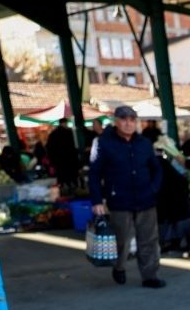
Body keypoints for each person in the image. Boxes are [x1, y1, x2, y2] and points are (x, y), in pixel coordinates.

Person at [88, 105, 165, 288]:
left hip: (146, 199)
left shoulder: (144, 143)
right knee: (121, 239)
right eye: (124, 120)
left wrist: (154, 188)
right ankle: (119, 266)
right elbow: (94, 174)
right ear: (116, 121)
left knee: (148, 239)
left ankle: (150, 275)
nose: (128, 124)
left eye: (132, 120)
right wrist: (97, 200)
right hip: (119, 200)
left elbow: (157, 169)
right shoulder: (104, 143)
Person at [46, 118, 80, 192]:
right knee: (72, 178)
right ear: (65, 123)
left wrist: (53, 161)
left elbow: (49, 149)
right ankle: (73, 189)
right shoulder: (70, 133)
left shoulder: (53, 134)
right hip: (70, 161)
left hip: (59, 162)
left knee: (62, 178)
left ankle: (64, 190)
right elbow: (74, 148)